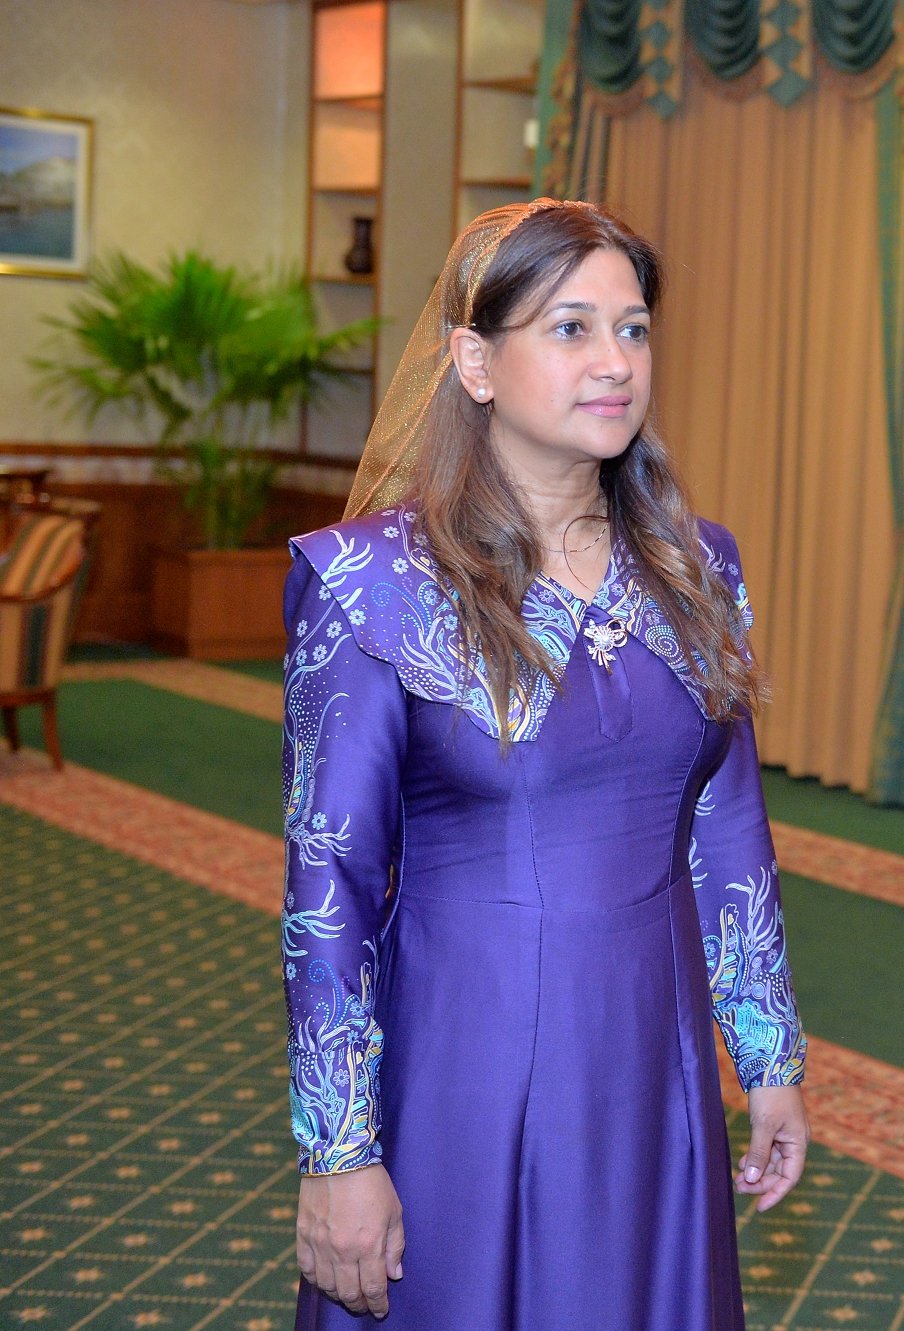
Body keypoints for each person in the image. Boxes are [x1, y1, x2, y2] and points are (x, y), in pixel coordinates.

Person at [280, 199, 809, 1329]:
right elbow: (329, 884)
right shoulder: (372, 584)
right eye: (571, 328)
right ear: (475, 362)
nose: (615, 362)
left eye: (633, 329)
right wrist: (337, 1149)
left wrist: (767, 1058)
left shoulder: (697, 565)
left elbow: (727, 823)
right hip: (465, 1053)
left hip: (653, 1050)